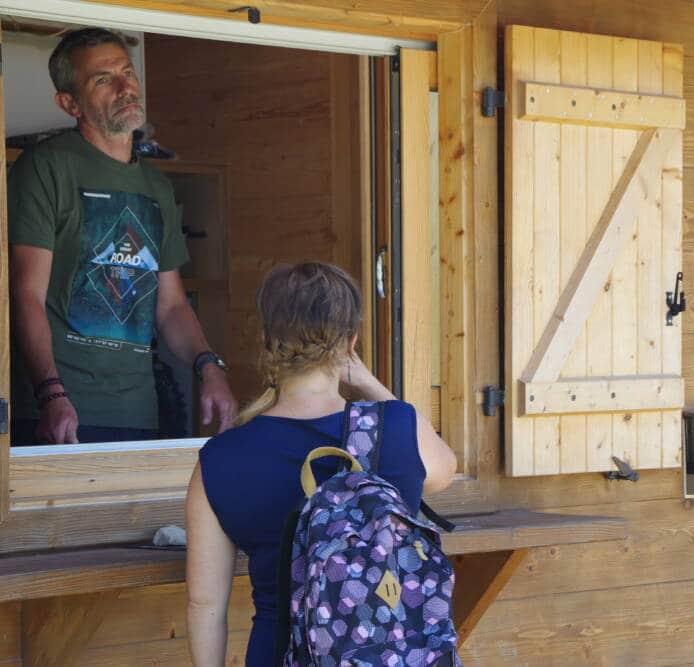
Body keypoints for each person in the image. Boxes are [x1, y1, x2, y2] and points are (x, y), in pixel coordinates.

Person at [185, 262, 457, 667]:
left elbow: (205, 604)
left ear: (264, 339)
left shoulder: (222, 457)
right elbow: (443, 468)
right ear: (351, 342)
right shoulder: (397, 427)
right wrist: (365, 380)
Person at [8, 28, 236, 444]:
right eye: (103, 79)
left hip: (137, 413)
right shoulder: (45, 168)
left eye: (127, 73)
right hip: (60, 414)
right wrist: (51, 393)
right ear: (69, 103)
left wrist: (209, 367)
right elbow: (26, 295)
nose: (125, 87)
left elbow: (170, 306)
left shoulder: (157, 187)